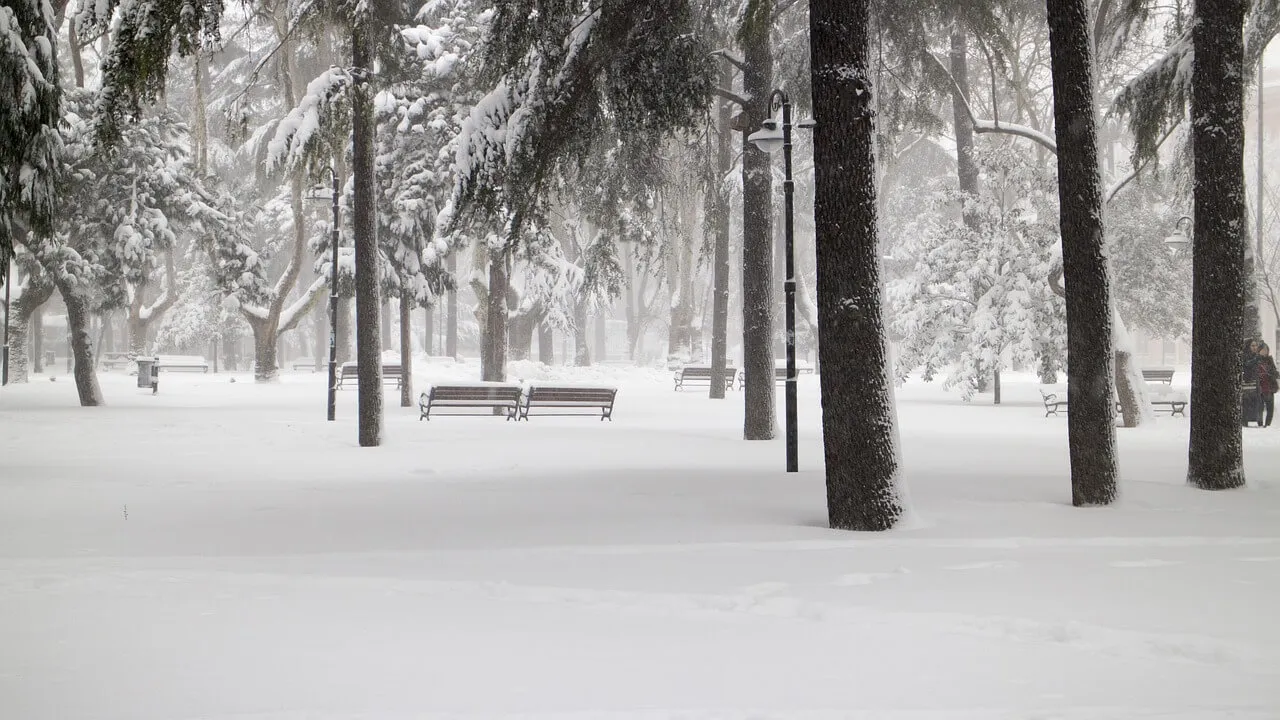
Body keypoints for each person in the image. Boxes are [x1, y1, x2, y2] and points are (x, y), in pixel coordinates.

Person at [1258, 343, 1279, 428]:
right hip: (1260, 386)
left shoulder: (1270, 360)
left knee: (1270, 408)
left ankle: (1268, 425)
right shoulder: (1256, 360)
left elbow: (1274, 371)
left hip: (1269, 385)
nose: (1265, 352)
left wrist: (1273, 374)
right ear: (1259, 350)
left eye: (1266, 350)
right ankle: (1260, 424)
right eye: (1263, 350)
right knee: (1260, 406)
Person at [1244, 339, 1262, 427]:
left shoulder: (1258, 356)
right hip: (1248, 382)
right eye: (1253, 346)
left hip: (1257, 382)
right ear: (1249, 347)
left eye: (1256, 345)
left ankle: (1258, 419)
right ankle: (1246, 419)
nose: (1255, 347)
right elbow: (1247, 365)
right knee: (1247, 401)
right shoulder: (1246, 355)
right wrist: (1255, 359)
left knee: (1257, 401)